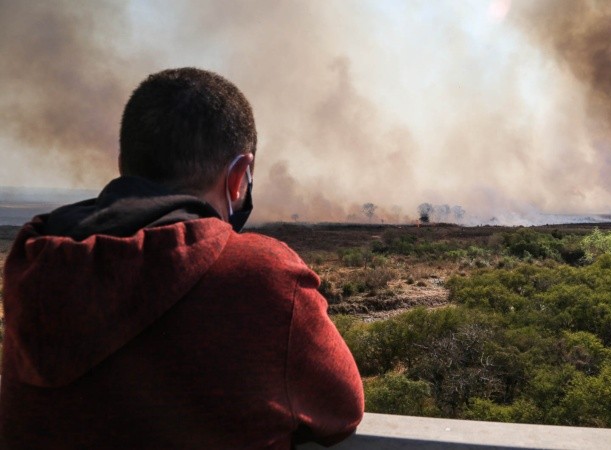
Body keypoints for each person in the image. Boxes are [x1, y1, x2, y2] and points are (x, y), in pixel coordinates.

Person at [0, 67, 364, 449]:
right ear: (239, 176)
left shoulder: (34, 259)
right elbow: (341, 410)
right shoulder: (264, 275)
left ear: (122, 165)